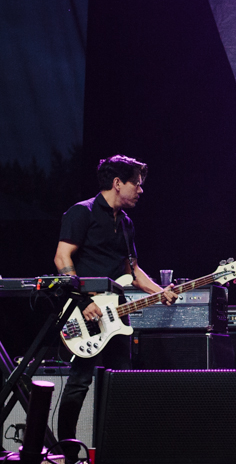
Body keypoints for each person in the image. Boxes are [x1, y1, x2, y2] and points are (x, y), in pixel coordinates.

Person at [53, 155, 177, 463]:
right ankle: (66, 452)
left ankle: (117, 449)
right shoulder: (82, 213)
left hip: (117, 312)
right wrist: (84, 301)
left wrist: (159, 292)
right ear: (117, 183)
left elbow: (131, 270)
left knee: (121, 379)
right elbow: (62, 258)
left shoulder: (126, 224)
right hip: (85, 310)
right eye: (136, 183)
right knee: (80, 380)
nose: (141, 190)